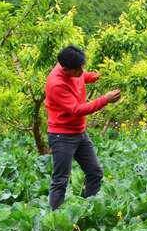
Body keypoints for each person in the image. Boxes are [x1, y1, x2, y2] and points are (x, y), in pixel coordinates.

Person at [45, 45, 121, 210]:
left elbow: (80, 77)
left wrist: (96, 77)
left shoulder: (71, 66)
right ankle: (54, 219)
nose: (81, 70)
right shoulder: (56, 84)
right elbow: (77, 110)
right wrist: (105, 99)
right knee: (60, 180)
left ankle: (88, 209)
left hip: (79, 133)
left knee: (95, 172)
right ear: (65, 69)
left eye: (82, 66)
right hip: (62, 136)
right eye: (78, 69)